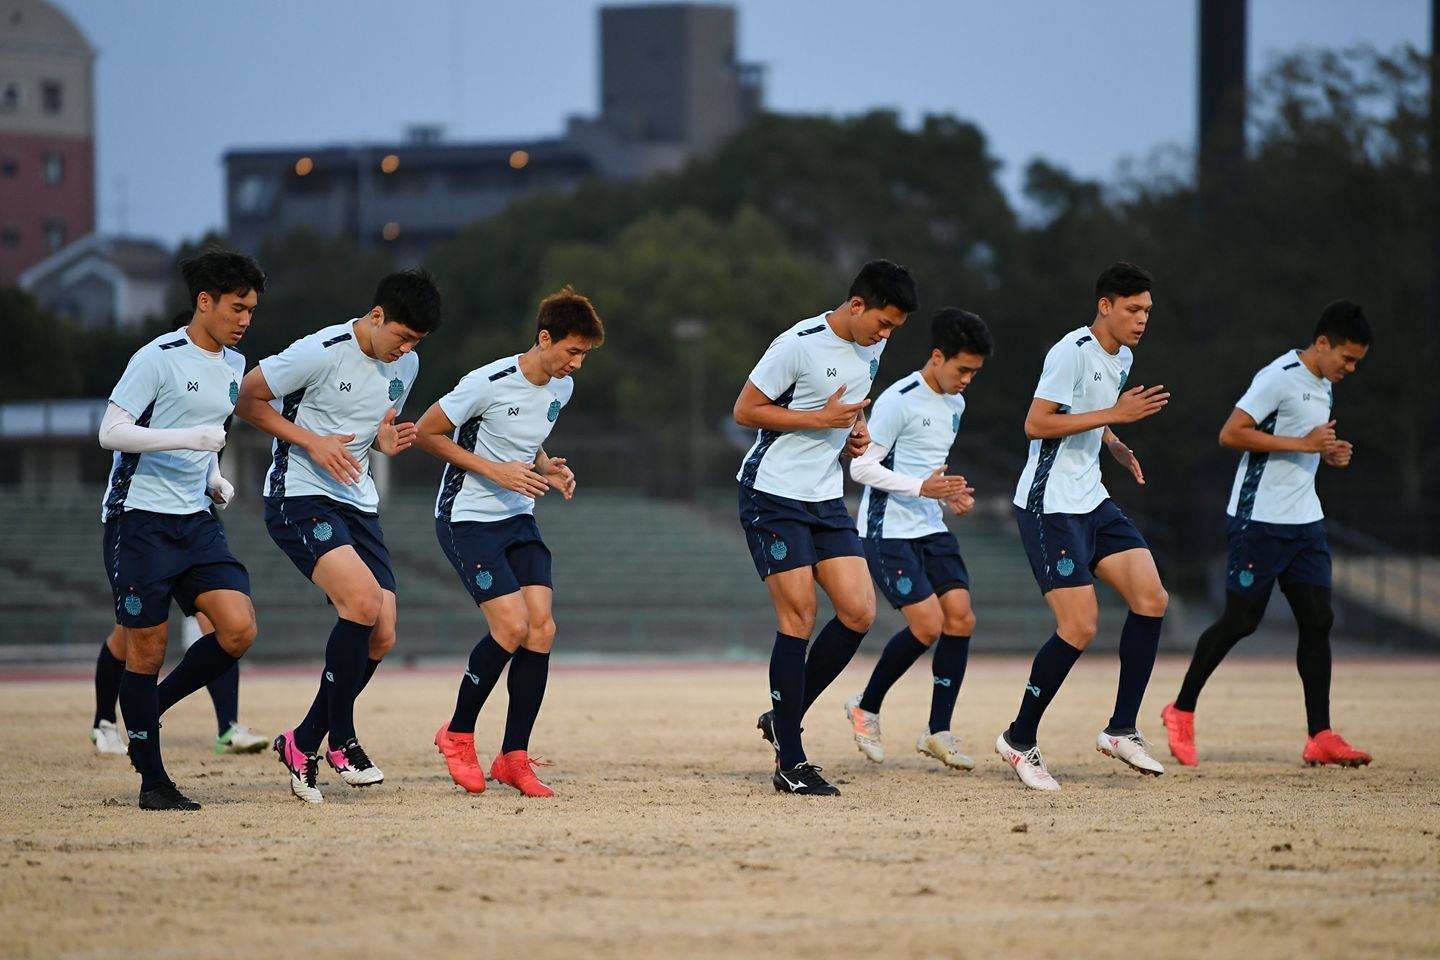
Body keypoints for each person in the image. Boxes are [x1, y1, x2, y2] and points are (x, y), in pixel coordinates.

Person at [236, 269, 441, 804]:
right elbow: (247, 398)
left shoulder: (408, 362)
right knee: (363, 602)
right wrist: (312, 442)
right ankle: (341, 741)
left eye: (415, 343)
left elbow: (370, 426)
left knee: (384, 632)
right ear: (377, 317)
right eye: (401, 337)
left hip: (358, 500)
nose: (405, 351)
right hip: (299, 493)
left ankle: (302, 741)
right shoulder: (321, 350)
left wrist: (384, 441)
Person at [1161, 301, 1373, 768]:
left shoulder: (1323, 385)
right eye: (1348, 359)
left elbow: (1303, 443)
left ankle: (1319, 735)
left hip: (1305, 524)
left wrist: (1327, 454)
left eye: (1357, 361)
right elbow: (1232, 434)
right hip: (1258, 521)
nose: (1351, 369)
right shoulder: (1277, 376)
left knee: (1318, 620)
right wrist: (1303, 445)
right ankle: (1180, 710)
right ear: (1323, 344)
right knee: (1242, 621)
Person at [736, 259, 919, 796]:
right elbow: (746, 410)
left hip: (824, 495)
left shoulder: (872, 345)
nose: (885, 336)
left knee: (859, 611)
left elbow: (849, 407)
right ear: (856, 304)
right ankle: (790, 760)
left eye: (893, 330)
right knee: (799, 616)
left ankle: (781, 718)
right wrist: (820, 420)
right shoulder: (797, 343)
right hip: (772, 493)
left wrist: (855, 432)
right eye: (882, 324)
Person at [97, 248, 264, 810]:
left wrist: (214, 475)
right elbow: (111, 432)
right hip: (138, 519)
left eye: (251, 310)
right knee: (146, 650)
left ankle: (154, 704)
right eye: (237, 307)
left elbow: (210, 432)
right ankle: (153, 782)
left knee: (238, 629)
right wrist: (187, 442)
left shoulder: (236, 366)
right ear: (204, 301)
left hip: (196, 520)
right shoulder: (157, 357)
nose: (244, 319)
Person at [996, 260, 1171, 791]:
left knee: (1152, 598)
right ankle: (1018, 739)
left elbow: (1093, 417)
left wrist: (1115, 445)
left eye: (1147, 310)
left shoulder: (1124, 357)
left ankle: (1121, 729)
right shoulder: (1070, 352)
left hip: (1092, 498)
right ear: (1106, 306)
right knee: (1080, 626)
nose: (1142, 319)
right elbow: (1037, 423)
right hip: (1050, 505)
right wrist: (1113, 418)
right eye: (1133, 309)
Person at [420, 288, 600, 799]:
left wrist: (546, 466)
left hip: (518, 518)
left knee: (541, 629)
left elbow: (523, 435)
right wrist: (493, 470)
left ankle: (513, 758)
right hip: (467, 519)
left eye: (584, 354)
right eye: (571, 351)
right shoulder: (486, 381)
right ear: (544, 338)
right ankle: (457, 734)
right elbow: (431, 433)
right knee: (511, 626)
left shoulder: (560, 388)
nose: (577, 364)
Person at [843, 307, 992, 771]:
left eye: (975, 372)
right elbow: (861, 467)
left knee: (961, 619)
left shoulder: (956, 403)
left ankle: (938, 731)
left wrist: (950, 497)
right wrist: (922, 488)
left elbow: (929, 470)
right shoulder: (898, 400)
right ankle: (865, 706)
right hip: (888, 533)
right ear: (936, 356)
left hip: (931, 526)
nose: (968, 379)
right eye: (962, 369)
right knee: (928, 625)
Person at [90, 612, 266, 755]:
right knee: (127, 634)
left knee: (224, 631)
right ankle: (104, 723)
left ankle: (227, 729)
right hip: (145, 569)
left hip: (186, 566)